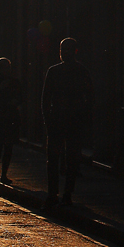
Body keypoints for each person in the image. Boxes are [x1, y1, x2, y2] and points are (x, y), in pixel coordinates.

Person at [41, 37, 94, 209]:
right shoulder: (57, 71)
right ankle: (56, 194)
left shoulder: (79, 71)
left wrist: (83, 117)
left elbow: (90, 97)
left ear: (75, 51)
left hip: (70, 120)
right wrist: (48, 120)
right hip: (59, 120)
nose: (65, 53)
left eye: (68, 50)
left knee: (69, 159)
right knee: (57, 159)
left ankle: (64, 194)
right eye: (63, 50)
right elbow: (45, 99)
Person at [0, 57, 21, 184]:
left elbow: (21, 97)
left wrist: (15, 102)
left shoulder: (15, 82)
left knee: (8, 147)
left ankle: (4, 173)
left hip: (10, 117)